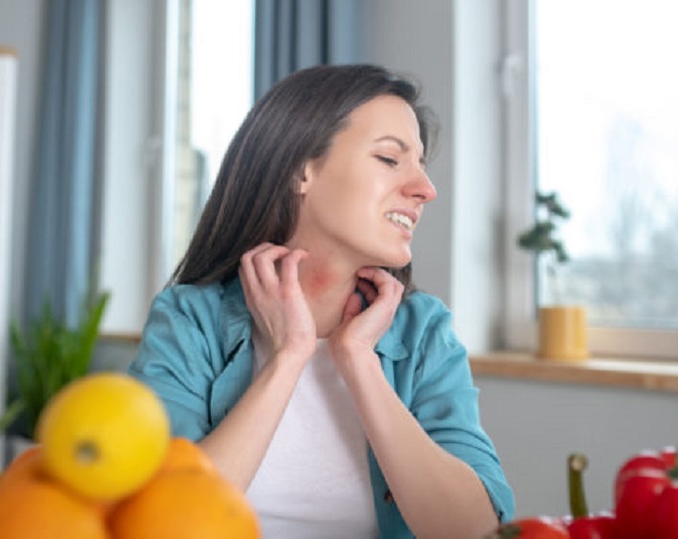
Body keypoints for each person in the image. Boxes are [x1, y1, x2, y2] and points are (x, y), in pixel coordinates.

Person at [129, 63, 515, 538]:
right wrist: (289, 357)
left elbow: (473, 530)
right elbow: (165, 524)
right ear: (301, 170)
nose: (425, 190)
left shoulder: (424, 332)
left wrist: (359, 362)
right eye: (390, 160)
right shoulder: (190, 322)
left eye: (421, 166)